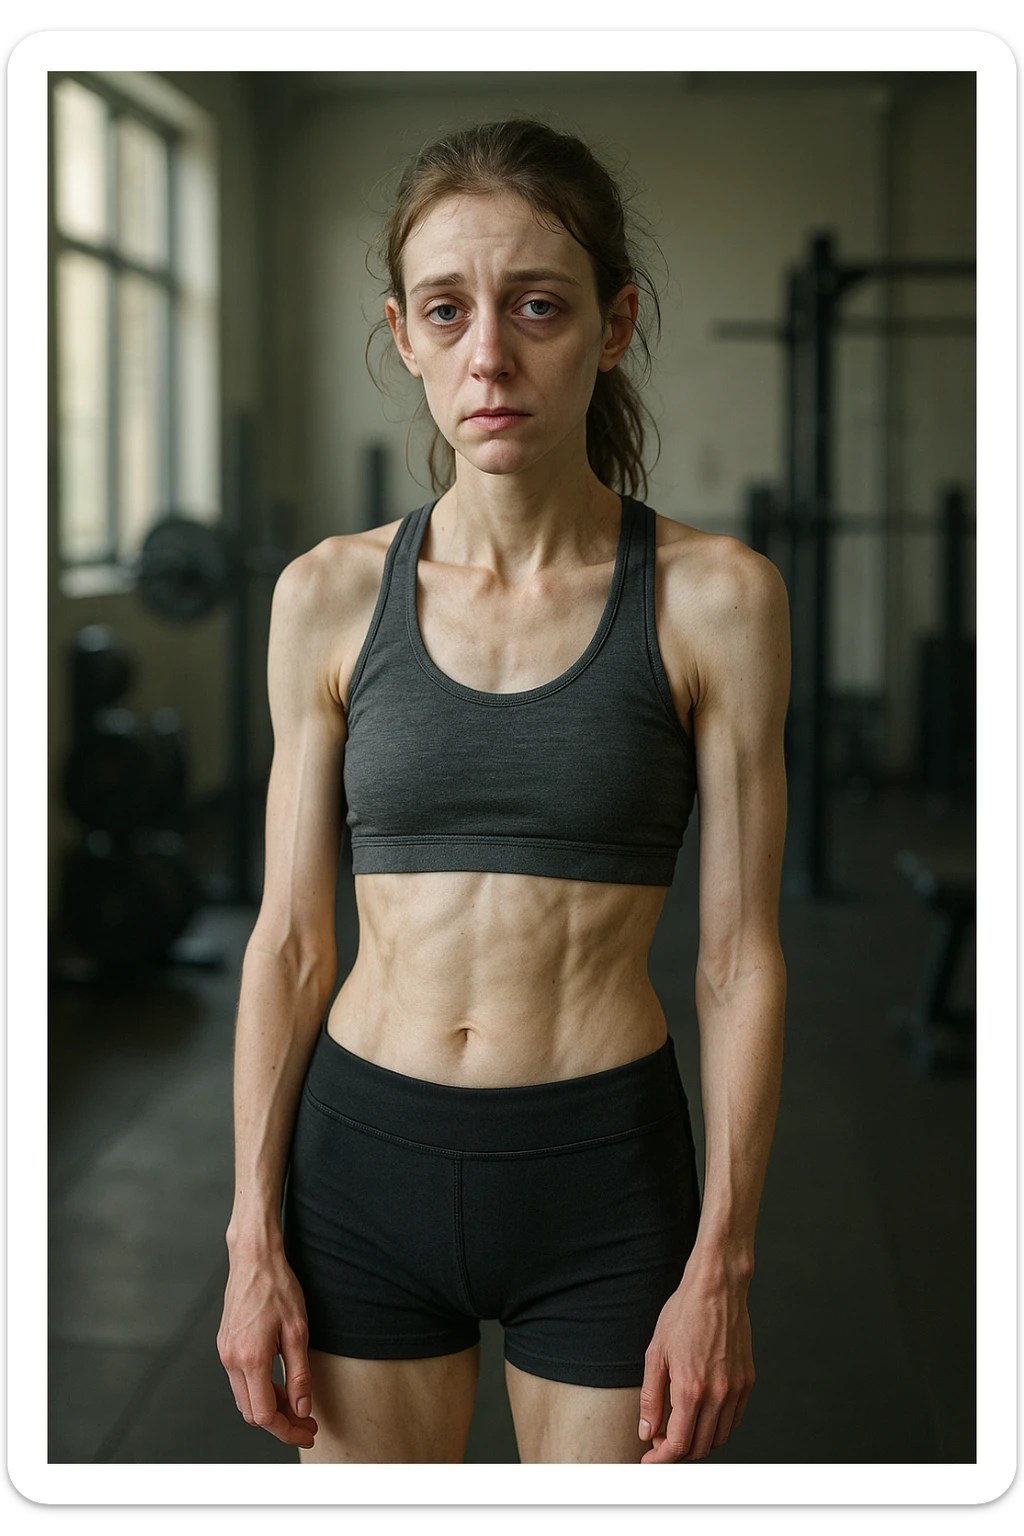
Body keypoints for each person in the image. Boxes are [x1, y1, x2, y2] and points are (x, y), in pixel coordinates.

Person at [216, 118, 789, 1466]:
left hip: (600, 1176)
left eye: (537, 305)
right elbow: (291, 946)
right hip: (359, 1168)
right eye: (446, 310)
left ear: (610, 324)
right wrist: (250, 1236)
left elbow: (738, 962)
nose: (491, 355)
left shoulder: (717, 599)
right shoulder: (328, 597)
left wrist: (724, 1269)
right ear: (404, 335)